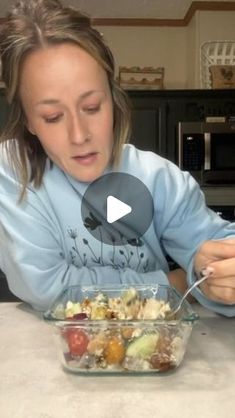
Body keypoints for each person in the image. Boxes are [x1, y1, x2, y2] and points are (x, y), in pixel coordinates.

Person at [0, 0, 235, 314]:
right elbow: (46, 288)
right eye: (53, 116)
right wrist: (175, 284)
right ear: (28, 121)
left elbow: (218, 252)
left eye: (93, 107)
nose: (79, 135)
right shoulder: (13, 170)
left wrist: (219, 278)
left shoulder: (159, 179)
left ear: (113, 98)